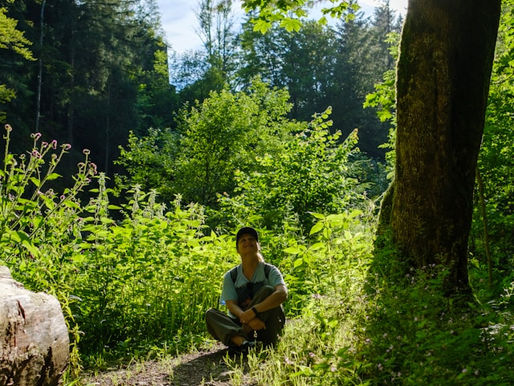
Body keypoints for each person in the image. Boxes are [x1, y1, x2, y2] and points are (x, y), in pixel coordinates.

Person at [205, 227, 288, 354]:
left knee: (268, 290)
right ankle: (244, 343)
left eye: (251, 239)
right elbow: (230, 304)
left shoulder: (269, 270)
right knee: (211, 314)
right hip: (240, 321)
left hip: (266, 326)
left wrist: (253, 312)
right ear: (237, 249)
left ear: (258, 246)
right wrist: (245, 317)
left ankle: (238, 339)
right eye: (243, 240)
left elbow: (282, 293)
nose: (247, 242)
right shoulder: (231, 276)